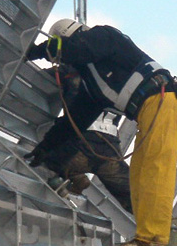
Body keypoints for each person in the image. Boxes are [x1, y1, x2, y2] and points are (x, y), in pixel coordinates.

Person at [25, 19, 177, 246]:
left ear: (68, 38)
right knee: (140, 177)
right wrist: (45, 148)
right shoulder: (93, 85)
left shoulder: (103, 36)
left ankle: (154, 240)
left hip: (161, 101)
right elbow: (73, 121)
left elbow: (81, 49)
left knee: (154, 172)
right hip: (150, 110)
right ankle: (146, 238)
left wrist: (38, 50)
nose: (64, 63)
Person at [25, 64, 133, 213]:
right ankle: (158, 231)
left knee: (44, 163)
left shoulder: (74, 70)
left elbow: (36, 77)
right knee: (134, 198)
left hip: (79, 147)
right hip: (111, 152)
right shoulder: (120, 82)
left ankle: (75, 175)